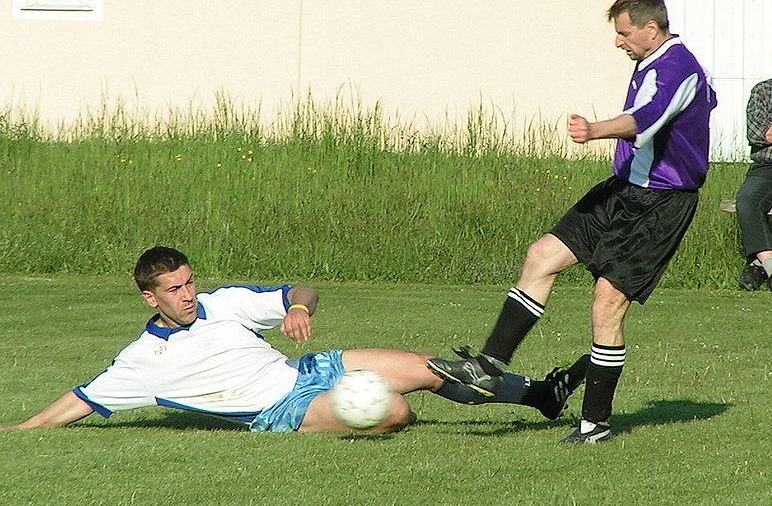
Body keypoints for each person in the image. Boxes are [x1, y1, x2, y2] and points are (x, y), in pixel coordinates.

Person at [427, 0, 717, 444]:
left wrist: (595, 130)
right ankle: (487, 367)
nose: (618, 42)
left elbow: (647, 117)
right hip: (622, 191)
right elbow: (704, 101)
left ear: (651, 28)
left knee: (606, 303)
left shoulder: (680, 67)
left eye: (623, 34)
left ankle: (594, 424)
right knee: (542, 255)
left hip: (661, 204)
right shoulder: (652, 59)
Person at [0, 246, 588, 434]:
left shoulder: (222, 302)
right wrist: (22, 431)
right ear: (149, 298)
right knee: (395, 411)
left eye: (188, 281)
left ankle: (541, 395)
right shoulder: (143, 361)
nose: (186, 294)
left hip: (310, 368)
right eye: (173, 289)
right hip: (282, 409)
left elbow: (300, 288)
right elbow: (83, 397)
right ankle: (536, 396)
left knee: (433, 368)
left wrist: (299, 308)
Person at [737, 79, 772, 291]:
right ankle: (769, 265)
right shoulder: (764, 91)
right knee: (747, 200)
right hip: (767, 166)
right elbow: (759, 133)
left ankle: (758, 265)